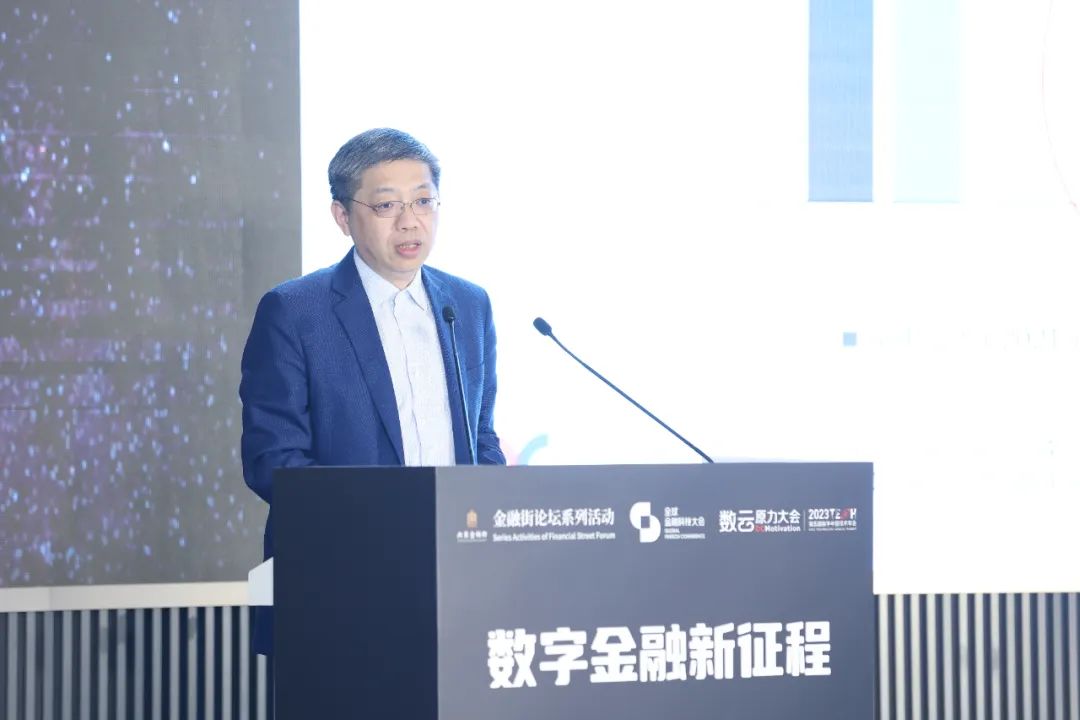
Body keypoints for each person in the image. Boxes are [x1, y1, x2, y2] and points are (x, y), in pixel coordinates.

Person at [239, 128, 505, 654]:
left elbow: (481, 437)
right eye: (387, 205)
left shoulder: (468, 305)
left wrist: (490, 518)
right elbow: (274, 461)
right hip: (340, 587)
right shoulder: (295, 311)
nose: (411, 221)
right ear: (343, 216)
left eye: (423, 201)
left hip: (457, 582)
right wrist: (386, 530)